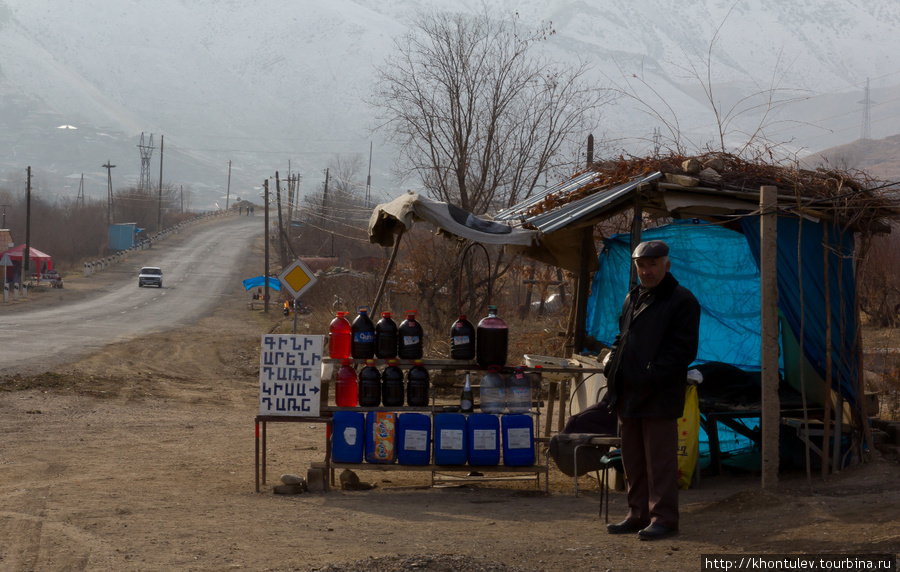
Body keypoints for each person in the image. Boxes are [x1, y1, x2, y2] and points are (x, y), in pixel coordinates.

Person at [602, 239, 701, 541]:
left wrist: (649, 373)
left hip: (658, 394)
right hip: (628, 393)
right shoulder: (633, 297)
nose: (646, 271)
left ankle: (665, 519)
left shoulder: (682, 300)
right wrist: (612, 363)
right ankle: (638, 514)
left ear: (666, 265)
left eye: (652, 264)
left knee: (660, 462)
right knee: (633, 460)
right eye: (641, 265)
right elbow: (624, 335)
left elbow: (683, 351)